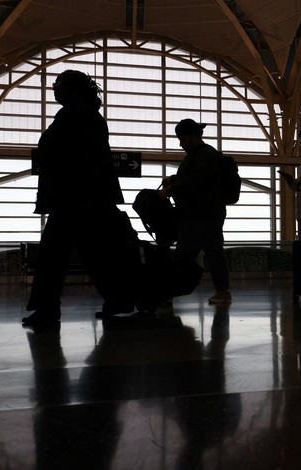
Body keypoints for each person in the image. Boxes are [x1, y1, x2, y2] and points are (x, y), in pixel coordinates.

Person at [22, 70, 134, 327]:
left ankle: (48, 309)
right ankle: (118, 299)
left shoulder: (74, 115)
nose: (55, 90)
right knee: (95, 254)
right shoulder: (88, 115)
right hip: (86, 198)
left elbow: (61, 153)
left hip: (73, 198)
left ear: (73, 90)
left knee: (53, 255)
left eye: (59, 85)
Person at [160, 118, 231, 304]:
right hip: (194, 214)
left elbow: (196, 180)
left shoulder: (206, 154)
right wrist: (173, 180)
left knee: (211, 252)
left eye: (183, 139)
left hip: (206, 214)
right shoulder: (196, 155)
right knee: (186, 253)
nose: (181, 143)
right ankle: (171, 292)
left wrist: (170, 190)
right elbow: (189, 177)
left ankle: (222, 291)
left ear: (193, 137)